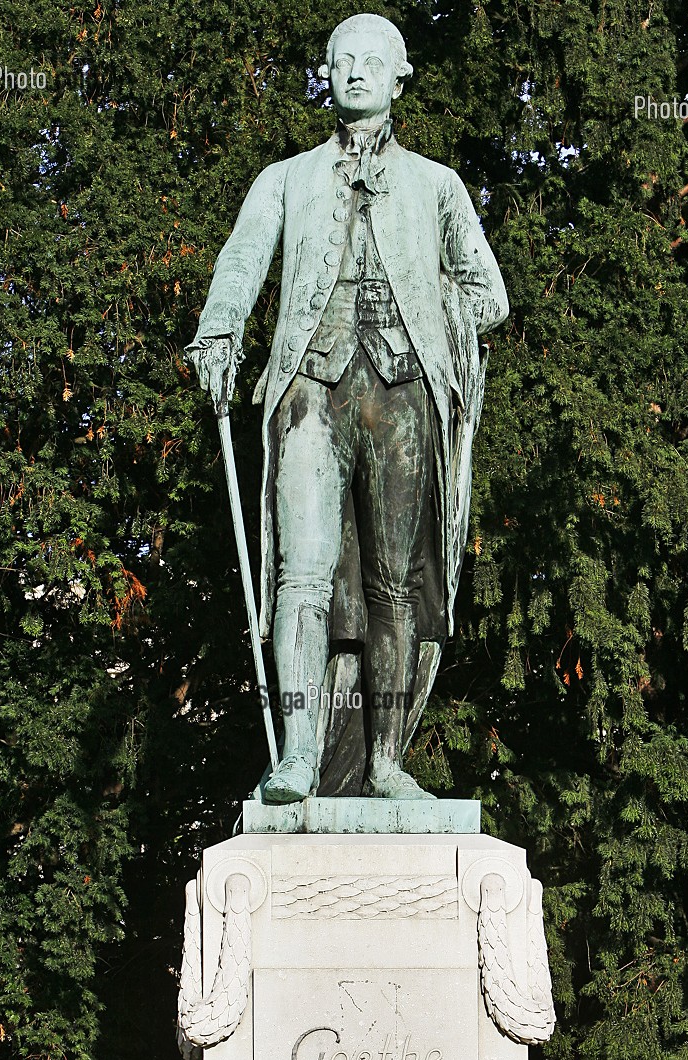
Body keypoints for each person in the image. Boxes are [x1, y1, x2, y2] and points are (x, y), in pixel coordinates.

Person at [188, 13, 508, 802]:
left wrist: (425, 307)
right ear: (325, 75)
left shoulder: (437, 185)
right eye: (342, 61)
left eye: (373, 61)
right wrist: (219, 330)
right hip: (309, 392)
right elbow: (240, 261)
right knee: (300, 575)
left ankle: (387, 761)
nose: (355, 72)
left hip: (403, 397)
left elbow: (488, 293)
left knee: (396, 586)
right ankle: (297, 755)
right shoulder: (285, 178)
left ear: (401, 77)